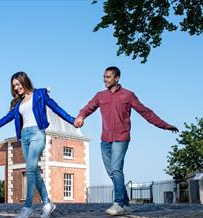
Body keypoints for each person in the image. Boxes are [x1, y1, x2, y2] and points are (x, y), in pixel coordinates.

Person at [74, 66, 178, 216]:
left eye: (108, 77)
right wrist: (81, 116)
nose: (105, 79)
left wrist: (165, 125)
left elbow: (145, 112)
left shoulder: (128, 95)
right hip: (105, 139)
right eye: (104, 77)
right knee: (112, 172)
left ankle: (118, 203)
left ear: (117, 78)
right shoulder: (100, 95)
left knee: (116, 169)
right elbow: (88, 108)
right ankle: (126, 203)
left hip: (121, 138)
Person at [0, 71, 76, 218]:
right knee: (34, 171)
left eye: (18, 84)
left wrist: (72, 120)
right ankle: (47, 203)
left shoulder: (40, 94)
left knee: (30, 169)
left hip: (38, 134)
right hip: (24, 137)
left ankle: (27, 207)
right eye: (14, 86)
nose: (16, 88)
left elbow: (56, 108)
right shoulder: (18, 103)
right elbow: (7, 117)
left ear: (24, 81)